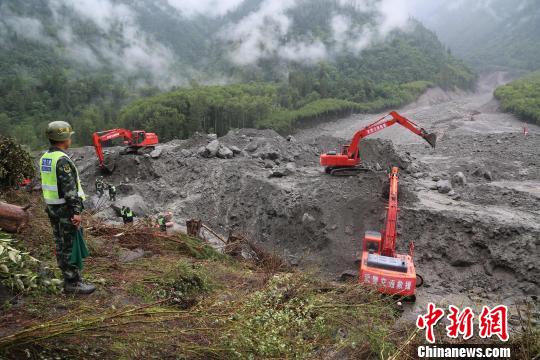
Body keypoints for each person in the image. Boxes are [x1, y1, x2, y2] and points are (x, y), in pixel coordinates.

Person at [39, 121, 95, 294]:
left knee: (60, 243)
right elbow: (69, 190)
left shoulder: (46, 157)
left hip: (53, 208)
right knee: (70, 244)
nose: (70, 139)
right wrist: (76, 211)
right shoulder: (62, 161)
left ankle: (68, 277)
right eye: (69, 136)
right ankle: (73, 282)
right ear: (64, 138)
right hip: (65, 209)